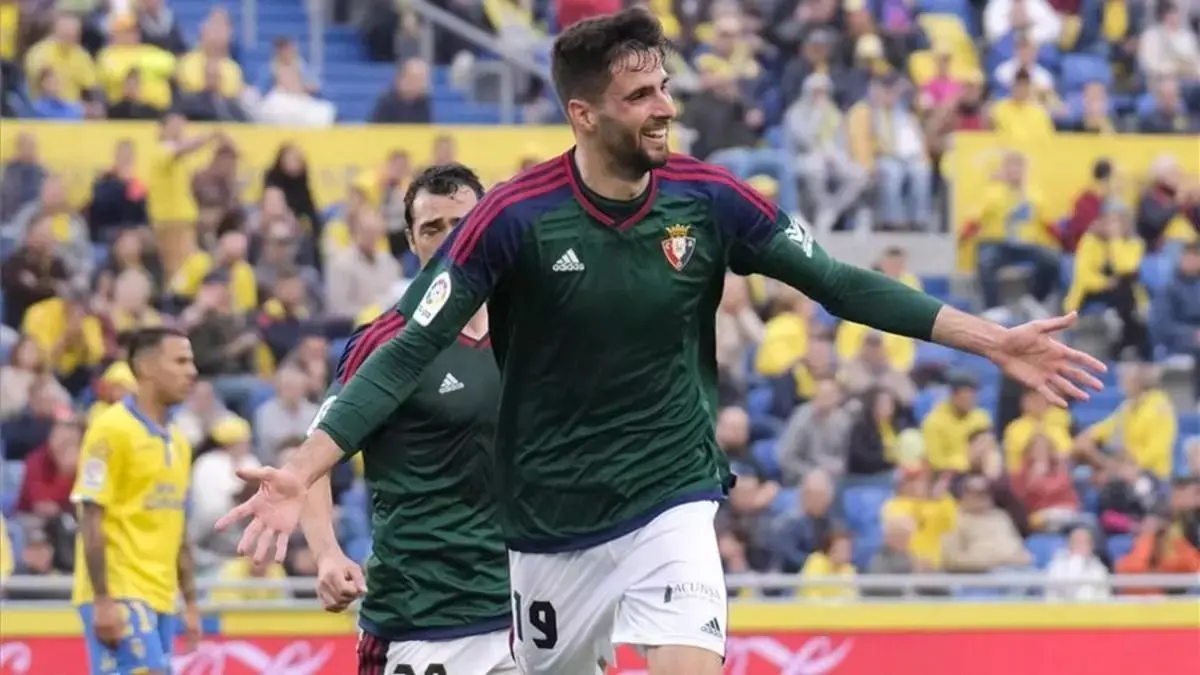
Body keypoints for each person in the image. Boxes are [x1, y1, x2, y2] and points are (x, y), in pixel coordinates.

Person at [218, 10, 1106, 675]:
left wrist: (991, 339)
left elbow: (838, 282)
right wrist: (302, 468)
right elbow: (406, 351)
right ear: (583, 114)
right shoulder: (514, 218)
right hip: (549, 527)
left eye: (665, 88)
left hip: (670, 496)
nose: (665, 108)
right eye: (640, 96)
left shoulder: (708, 198)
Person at [298, 164, 518, 675]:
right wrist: (327, 554)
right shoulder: (386, 341)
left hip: (524, 612)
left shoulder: (530, 330)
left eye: (462, 224)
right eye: (432, 228)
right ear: (412, 241)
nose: (449, 239)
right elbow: (312, 461)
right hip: (423, 618)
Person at [71, 327, 201, 675]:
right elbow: (91, 515)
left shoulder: (178, 440)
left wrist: (189, 602)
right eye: (180, 361)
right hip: (119, 591)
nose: (192, 371)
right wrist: (102, 599)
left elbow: (178, 527)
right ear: (145, 366)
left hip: (161, 595)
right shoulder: (110, 429)